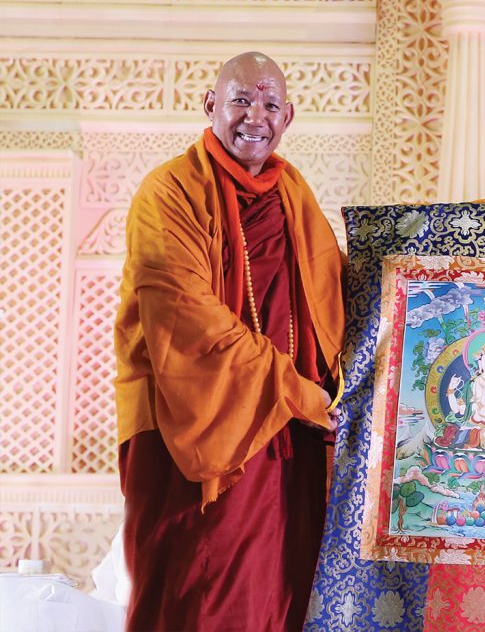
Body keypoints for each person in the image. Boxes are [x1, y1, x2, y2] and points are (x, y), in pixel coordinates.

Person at [114, 52, 345, 631]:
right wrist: (298, 392)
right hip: (189, 427)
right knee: (192, 598)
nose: (254, 117)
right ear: (211, 105)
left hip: (284, 436)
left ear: (288, 116)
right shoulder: (167, 192)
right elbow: (188, 320)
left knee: (279, 597)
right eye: (241, 100)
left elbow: (334, 288)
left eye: (269, 104)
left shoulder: (294, 193)